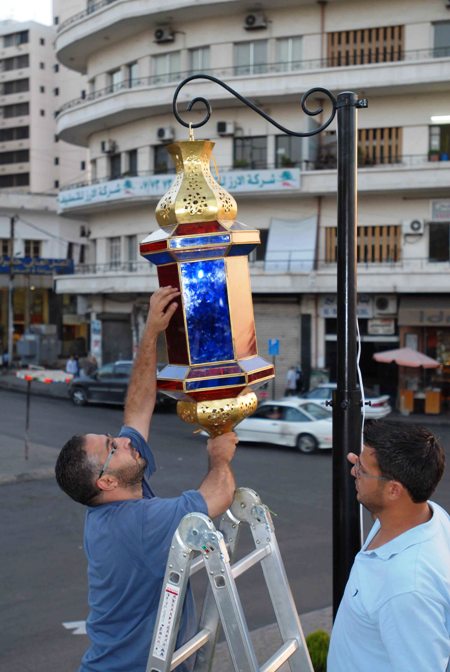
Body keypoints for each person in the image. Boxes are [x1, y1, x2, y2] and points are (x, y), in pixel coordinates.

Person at [55, 286, 239, 672]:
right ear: (105, 481)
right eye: (112, 446)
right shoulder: (136, 523)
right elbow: (219, 494)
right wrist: (218, 458)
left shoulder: (114, 496)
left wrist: (151, 333)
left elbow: (138, 406)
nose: (124, 440)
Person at [327, 420, 450, 672]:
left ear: (394, 490)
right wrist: (367, 467)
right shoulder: (428, 516)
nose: (353, 472)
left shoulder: (406, 589)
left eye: (361, 469)